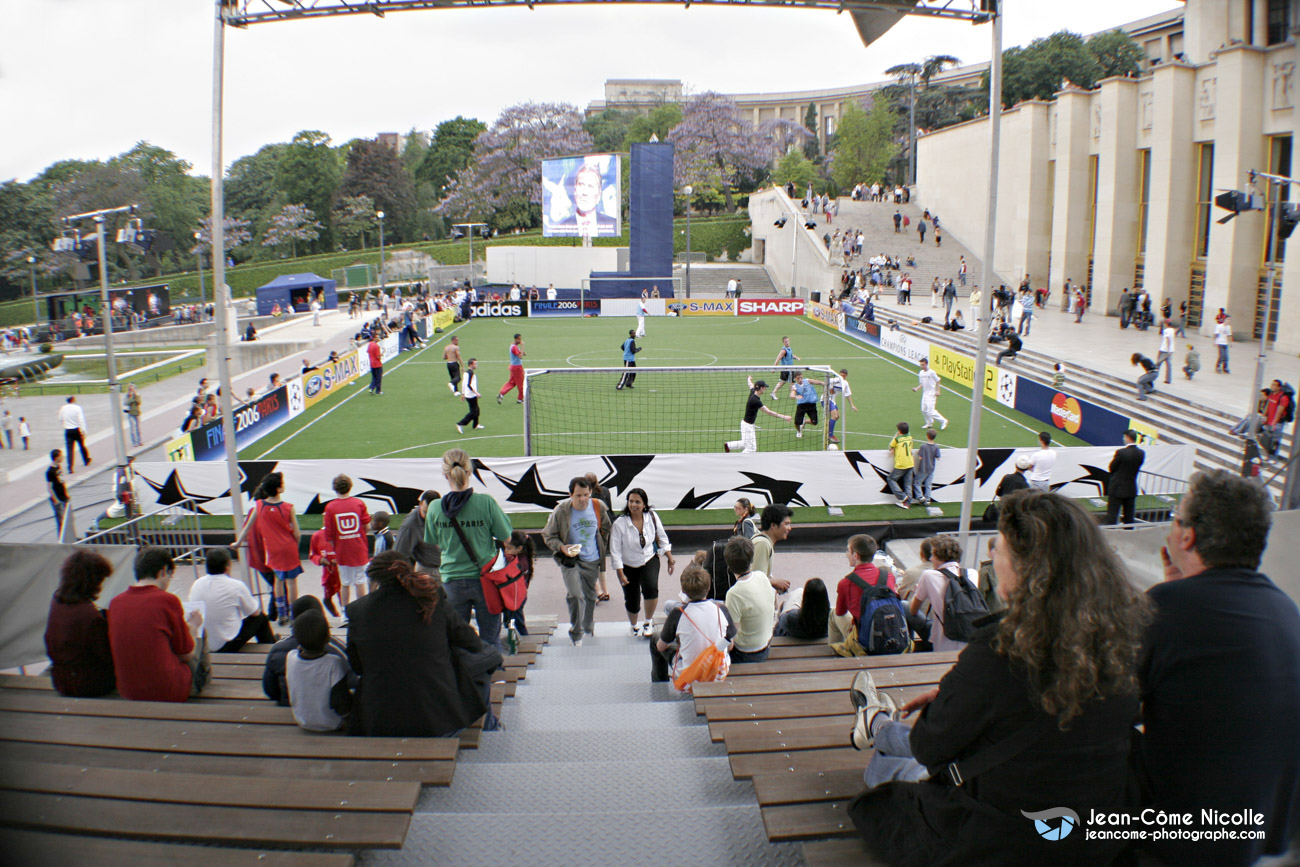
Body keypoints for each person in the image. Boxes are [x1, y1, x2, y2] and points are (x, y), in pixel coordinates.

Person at [848, 490, 1153, 866]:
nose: (993, 555)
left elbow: (930, 748)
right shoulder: (1127, 638)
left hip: (1007, 839)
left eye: (1000, 547)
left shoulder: (1000, 651)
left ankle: (876, 726)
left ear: (1028, 567)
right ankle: (877, 725)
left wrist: (954, 698)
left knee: (886, 767)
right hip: (1094, 833)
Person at [1137, 471, 1300, 865]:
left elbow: (1101, 707)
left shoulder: (1167, 608)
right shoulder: (1285, 610)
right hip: (1264, 837)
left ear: (1188, 536)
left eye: (1177, 519)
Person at [347, 551, 494, 737]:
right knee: (489, 655)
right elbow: (472, 643)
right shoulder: (432, 597)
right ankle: (490, 727)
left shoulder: (357, 611)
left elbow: (357, 666)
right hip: (438, 720)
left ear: (375, 577)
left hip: (379, 720)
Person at [424, 448, 514, 649]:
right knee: (490, 639)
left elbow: (435, 542)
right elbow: (507, 537)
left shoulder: (435, 507)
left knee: (456, 642)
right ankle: (494, 678)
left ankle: (462, 678)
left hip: (452, 580)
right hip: (485, 579)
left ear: (445, 474)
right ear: (470, 471)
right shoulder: (485, 502)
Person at [109, 547, 209, 702]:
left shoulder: (115, 603)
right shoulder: (167, 600)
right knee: (199, 634)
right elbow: (186, 654)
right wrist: (193, 628)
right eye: (170, 577)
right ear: (164, 571)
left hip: (128, 690)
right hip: (167, 691)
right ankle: (202, 681)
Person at [543, 476, 612, 646]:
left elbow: (606, 527)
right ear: (570, 495)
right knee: (575, 594)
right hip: (571, 560)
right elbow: (548, 535)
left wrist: (601, 546)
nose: (582, 499)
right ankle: (576, 633)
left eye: (585, 495)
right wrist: (562, 547)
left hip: (592, 559)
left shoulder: (598, 507)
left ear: (590, 494)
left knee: (589, 596)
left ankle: (588, 627)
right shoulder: (561, 511)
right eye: (578, 495)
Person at [650, 562, 736, 686]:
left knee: (655, 639)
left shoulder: (678, 614)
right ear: (708, 588)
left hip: (689, 678)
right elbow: (729, 646)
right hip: (717, 674)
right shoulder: (721, 609)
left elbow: (661, 647)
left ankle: (660, 684)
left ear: (683, 590)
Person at [44, 550, 116, 697]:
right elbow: (108, 657)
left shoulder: (57, 601)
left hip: (61, 679)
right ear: (92, 582)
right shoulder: (90, 616)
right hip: (88, 684)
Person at [611, 487, 675, 638]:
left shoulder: (652, 516)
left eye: (637, 502)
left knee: (651, 589)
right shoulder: (619, 523)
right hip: (628, 564)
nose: (634, 505)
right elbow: (615, 551)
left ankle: (648, 622)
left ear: (644, 504)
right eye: (631, 501)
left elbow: (662, 537)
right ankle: (633, 626)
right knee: (632, 599)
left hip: (649, 559)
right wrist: (620, 573)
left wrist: (670, 559)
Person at [238, 471, 301, 625]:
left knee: (278, 581)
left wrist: (237, 543)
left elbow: (247, 528)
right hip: (288, 548)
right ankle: (294, 615)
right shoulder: (287, 507)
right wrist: (296, 546)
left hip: (272, 551)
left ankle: (282, 614)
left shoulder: (259, 506)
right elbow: (297, 533)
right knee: (292, 582)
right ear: (278, 489)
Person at [188, 547, 275, 653]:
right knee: (261, 619)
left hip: (205, 642)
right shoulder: (236, 585)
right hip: (226, 643)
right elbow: (255, 613)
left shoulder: (197, 583)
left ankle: (272, 643)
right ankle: (271, 649)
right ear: (227, 566)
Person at [286, 609, 355, 732]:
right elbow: (340, 701)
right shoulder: (333, 663)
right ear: (328, 638)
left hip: (302, 720)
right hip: (331, 723)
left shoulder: (290, 657)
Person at [908, 534, 978, 653]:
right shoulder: (973, 573)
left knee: (904, 605)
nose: (930, 559)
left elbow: (913, 610)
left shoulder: (928, 575)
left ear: (938, 557)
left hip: (944, 642)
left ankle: (907, 646)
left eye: (933, 555)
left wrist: (916, 590)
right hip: (969, 637)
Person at [723, 536, 776, 663]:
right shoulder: (762, 577)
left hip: (746, 654)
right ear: (751, 559)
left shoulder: (734, 594)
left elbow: (730, 640)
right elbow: (775, 605)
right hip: (765, 645)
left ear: (729, 565)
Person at [323, 474, 371, 608]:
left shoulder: (330, 507)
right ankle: (361, 610)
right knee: (360, 580)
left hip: (342, 550)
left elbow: (329, 535)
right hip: (359, 548)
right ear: (350, 487)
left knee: (345, 582)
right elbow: (367, 525)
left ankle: (345, 612)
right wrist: (359, 536)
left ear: (335, 488)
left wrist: (337, 546)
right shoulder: (358, 503)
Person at [724, 379, 791, 453]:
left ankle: (729, 445)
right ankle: (740, 460)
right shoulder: (755, 401)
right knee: (751, 449)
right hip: (747, 426)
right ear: (761, 388)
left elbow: (750, 385)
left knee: (746, 443)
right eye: (765, 387)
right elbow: (769, 412)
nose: (765, 389)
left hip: (746, 424)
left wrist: (749, 379)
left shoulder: (753, 392)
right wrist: (784, 417)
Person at [396, 489, 442, 576]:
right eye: (425, 512)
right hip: (428, 571)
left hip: (448, 567)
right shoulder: (409, 526)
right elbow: (400, 554)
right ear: (420, 504)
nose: (429, 517)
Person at [751, 503, 792, 593]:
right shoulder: (763, 544)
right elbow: (755, 579)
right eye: (786, 524)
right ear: (773, 525)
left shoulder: (764, 542)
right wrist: (775, 582)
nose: (790, 528)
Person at [1106, 429, 1144, 525]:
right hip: (1131, 489)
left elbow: (1112, 468)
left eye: (1124, 437)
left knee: (1112, 515)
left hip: (1117, 489)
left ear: (1128, 438)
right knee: (1129, 517)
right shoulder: (1141, 453)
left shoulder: (1121, 452)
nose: (1123, 439)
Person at [501, 530, 535, 636]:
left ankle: (523, 635)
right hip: (517, 594)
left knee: (516, 617)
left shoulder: (519, 563)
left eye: (509, 548)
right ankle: (512, 633)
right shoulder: (521, 559)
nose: (505, 551)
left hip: (516, 595)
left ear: (519, 549)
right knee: (511, 616)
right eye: (505, 548)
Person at [912, 358, 948, 430]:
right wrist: (916, 388)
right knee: (923, 410)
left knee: (930, 412)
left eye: (923, 365)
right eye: (921, 365)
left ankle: (944, 421)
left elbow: (938, 381)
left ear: (926, 364)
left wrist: (938, 391)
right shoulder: (921, 373)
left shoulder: (932, 372)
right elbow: (922, 383)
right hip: (925, 394)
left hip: (932, 394)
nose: (922, 366)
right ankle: (929, 423)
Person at [59, 396, 91, 473]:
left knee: (69, 449)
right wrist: (83, 431)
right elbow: (81, 420)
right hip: (76, 429)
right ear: (73, 400)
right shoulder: (77, 408)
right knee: (81, 445)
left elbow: (60, 419)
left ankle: (70, 467)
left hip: (68, 430)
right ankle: (86, 459)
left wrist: (65, 425)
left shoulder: (63, 408)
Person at [453, 357, 485, 434]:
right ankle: (460, 423)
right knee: (474, 412)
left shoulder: (467, 373)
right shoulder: (470, 373)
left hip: (469, 394)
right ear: (471, 365)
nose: (476, 365)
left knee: (476, 410)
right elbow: (468, 385)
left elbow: (464, 384)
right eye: (475, 364)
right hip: (471, 395)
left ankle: (476, 425)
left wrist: (463, 394)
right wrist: (476, 393)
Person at [789, 370, 824, 439]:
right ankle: (799, 431)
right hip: (802, 405)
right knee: (796, 422)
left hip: (811, 405)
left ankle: (804, 421)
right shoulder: (795, 386)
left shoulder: (807, 381)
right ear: (795, 378)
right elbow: (791, 395)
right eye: (798, 378)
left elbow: (816, 382)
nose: (800, 379)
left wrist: (823, 383)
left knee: (814, 422)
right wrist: (796, 396)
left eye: (801, 377)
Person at [888, 421, 915, 509]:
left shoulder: (897, 439)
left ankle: (902, 496)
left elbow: (891, 446)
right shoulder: (910, 437)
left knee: (891, 479)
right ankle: (908, 503)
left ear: (899, 431)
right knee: (908, 484)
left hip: (901, 464)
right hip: (910, 462)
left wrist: (896, 435)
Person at [827, 368, 858, 444]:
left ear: (846, 376)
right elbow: (825, 383)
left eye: (843, 376)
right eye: (841, 375)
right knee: (834, 416)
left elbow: (848, 395)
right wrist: (830, 388)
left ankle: (827, 428)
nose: (842, 377)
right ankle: (830, 435)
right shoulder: (833, 380)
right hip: (826, 399)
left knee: (837, 417)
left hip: (833, 400)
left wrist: (852, 405)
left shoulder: (845, 384)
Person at [47, 449, 72, 540]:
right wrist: (55, 500)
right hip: (58, 499)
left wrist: (66, 494)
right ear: (56, 457)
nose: (63, 457)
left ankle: (68, 537)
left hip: (63, 496)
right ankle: (62, 539)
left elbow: (61, 481)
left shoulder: (58, 467)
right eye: (61, 456)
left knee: (67, 519)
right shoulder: (50, 471)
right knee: (61, 521)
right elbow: (50, 487)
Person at [911, 429, 940, 506]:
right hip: (931, 468)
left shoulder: (923, 446)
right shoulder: (936, 447)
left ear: (927, 436)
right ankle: (927, 499)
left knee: (916, 482)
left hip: (923, 468)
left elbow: (920, 457)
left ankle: (920, 497)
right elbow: (938, 457)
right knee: (928, 484)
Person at [496, 333, 526, 405]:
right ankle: (520, 399)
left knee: (512, 382)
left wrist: (522, 352)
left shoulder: (513, 346)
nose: (520, 340)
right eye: (519, 339)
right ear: (515, 339)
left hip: (513, 367)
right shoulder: (514, 347)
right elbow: (520, 357)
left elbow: (519, 354)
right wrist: (522, 346)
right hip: (517, 368)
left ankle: (501, 394)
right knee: (521, 383)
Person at [772, 336, 800, 401]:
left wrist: (796, 357)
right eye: (785, 342)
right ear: (783, 342)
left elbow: (791, 355)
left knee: (789, 382)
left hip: (790, 368)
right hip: (786, 369)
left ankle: (791, 394)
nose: (787, 342)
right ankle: (774, 393)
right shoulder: (783, 350)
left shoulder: (789, 348)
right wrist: (774, 368)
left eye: (788, 341)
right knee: (787, 382)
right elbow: (778, 359)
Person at [1155, 319, 1176, 384]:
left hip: (1164, 350)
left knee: (1158, 364)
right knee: (1169, 365)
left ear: (1166, 324)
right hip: (1171, 350)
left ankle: (1153, 376)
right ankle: (1168, 379)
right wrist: (1170, 350)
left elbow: (1168, 339)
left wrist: (1168, 350)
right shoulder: (1173, 330)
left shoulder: (1166, 331)